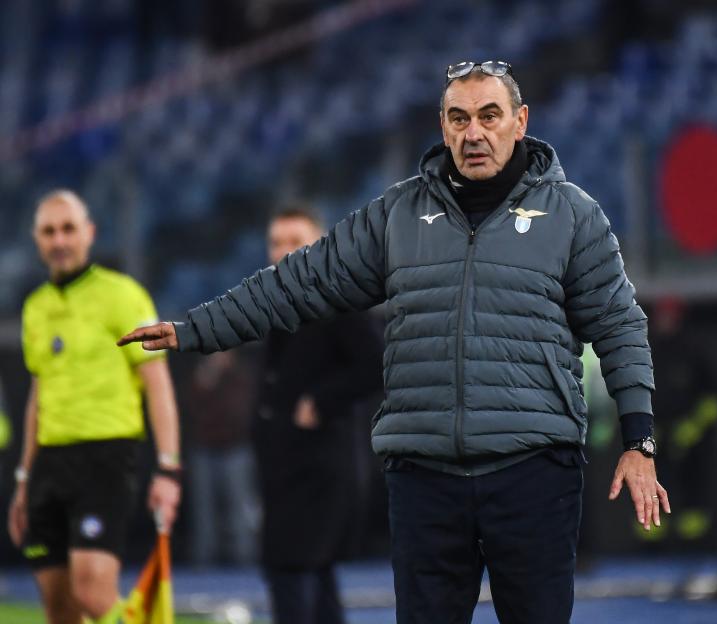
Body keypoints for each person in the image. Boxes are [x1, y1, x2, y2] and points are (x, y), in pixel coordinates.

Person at [119, 60, 669, 624]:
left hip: (532, 471)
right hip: (424, 473)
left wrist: (639, 441)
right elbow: (299, 280)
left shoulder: (573, 216)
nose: (472, 133)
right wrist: (197, 330)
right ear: (442, 124)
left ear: (520, 121)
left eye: (488, 116)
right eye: (458, 118)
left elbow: (620, 327)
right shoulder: (398, 215)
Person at [7, 190, 182, 624]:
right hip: (49, 461)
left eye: (69, 228)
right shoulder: (35, 308)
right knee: (59, 607)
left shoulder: (121, 296)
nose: (59, 239)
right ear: (36, 239)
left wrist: (168, 468)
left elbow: (156, 383)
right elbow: (37, 396)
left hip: (105, 455)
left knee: (92, 590)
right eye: (49, 231)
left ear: (90, 233)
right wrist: (24, 478)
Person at [254, 207, 383, 624]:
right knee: (315, 574)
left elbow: (377, 363)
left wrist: (321, 402)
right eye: (277, 243)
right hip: (290, 466)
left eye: (296, 241)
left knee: (289, 568)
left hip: (320, 467)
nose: (284, 252)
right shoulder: (281, 301)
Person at [184, 349, 258, 567]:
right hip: (203, 449)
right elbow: (189, 411)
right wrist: (205, 382)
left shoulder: (241, 376)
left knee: (239, 511)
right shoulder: (200, 378)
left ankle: (244, 561)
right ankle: (203, 561)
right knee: (203, 512)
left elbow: (240, 412)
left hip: (235, 449)